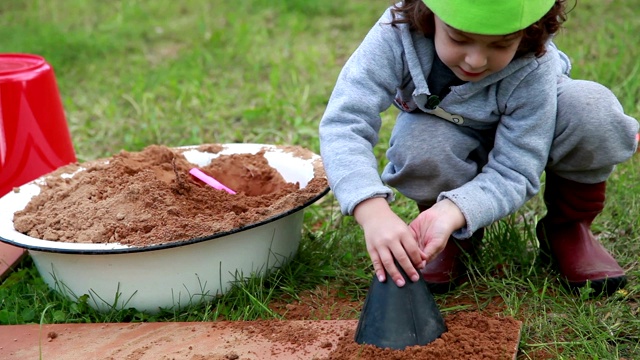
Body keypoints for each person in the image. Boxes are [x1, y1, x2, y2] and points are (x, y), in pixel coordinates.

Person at [318, 0, 638, 295]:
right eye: (458, 38)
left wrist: (456, 208)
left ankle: (568, 228)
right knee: (421, 142)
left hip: (536, 132)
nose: (476, 60)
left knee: (591, 109)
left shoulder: (535, 61)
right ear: (430, 14)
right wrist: (372, 211)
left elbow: (515, 169)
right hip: (448, 132)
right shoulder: (397, 32)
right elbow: (345, 121)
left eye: (500, 44)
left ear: (530, 30)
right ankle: (454, 239)